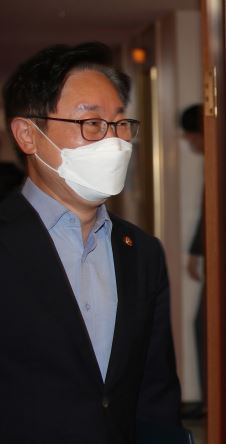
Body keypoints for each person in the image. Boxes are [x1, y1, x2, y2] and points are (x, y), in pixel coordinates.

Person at [0, 42, 187, 443]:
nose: (114, 141)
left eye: (120, 123)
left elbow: (155, 390)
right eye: (91, 123)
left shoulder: (142, 252)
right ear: (28, 135)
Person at [179, 103, 206, 418]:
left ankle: (210, 401)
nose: (188, 142)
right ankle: (207, 398)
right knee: (201, 325)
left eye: (189, 135)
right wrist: (195, 252)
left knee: (203, 325)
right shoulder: (209, 161)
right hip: (208, 257)